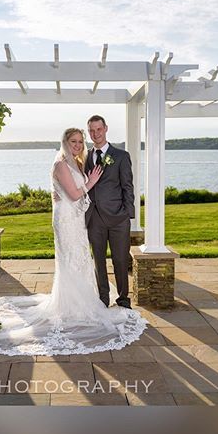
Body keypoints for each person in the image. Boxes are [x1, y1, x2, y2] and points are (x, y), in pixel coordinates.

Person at [0, 127, 147, 356]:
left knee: (79, 259)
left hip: (76, 219)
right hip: (67, 219)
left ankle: (82, 303)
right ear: (65, 142)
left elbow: (73, 192)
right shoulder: (60, 164)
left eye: (80, 141)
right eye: (73, 141)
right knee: (71, 259)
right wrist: (92, 181)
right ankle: (72, 307)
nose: (78, 145)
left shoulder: (77, 162)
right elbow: (77, 194)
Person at [84, 115, 135, 309]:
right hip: (95, 219)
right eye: (92, 130)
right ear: (89, 132)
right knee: (99, 262)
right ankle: (103, 299)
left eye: (99, 129)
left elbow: (128, 187)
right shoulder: (86, 156)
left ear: (106, 128)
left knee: (120, 260)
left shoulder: (121, 156)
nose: (96, 134)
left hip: (118, 219)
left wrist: (126, 213)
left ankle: (123, 299)